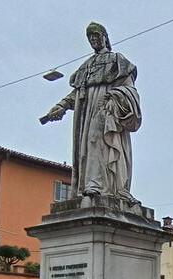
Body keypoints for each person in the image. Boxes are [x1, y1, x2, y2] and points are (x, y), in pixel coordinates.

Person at [42, 22, 141, 204]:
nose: (94, 40)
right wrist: (62, 105)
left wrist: (114, 97)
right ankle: (92, 184)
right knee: (87, 147)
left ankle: (104, 185)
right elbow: (78, 93)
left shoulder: (118, 61)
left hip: (108, 110)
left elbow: (130, 89)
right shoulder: (86, 66)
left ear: (104, 37)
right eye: (90, 38)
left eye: (96, 36)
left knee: (100, 141)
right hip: (86, 113)